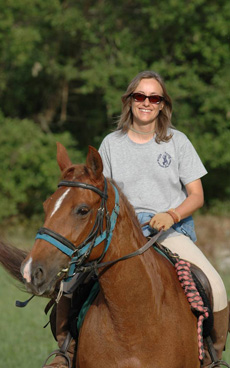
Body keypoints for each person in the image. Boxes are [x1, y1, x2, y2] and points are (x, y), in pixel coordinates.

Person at [43, 71, 229, 368]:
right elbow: (99, 194)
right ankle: (65, 352)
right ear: (129, 101)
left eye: (153, 97)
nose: (146, 103)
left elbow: (197, 195)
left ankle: (212, 357)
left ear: (162, 104)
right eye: (139, 96)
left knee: (216, 285)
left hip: (169, 231)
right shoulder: (111, 144)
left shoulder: (177, 142)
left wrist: (172, 214)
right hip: (119, 232)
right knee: (68, 284)